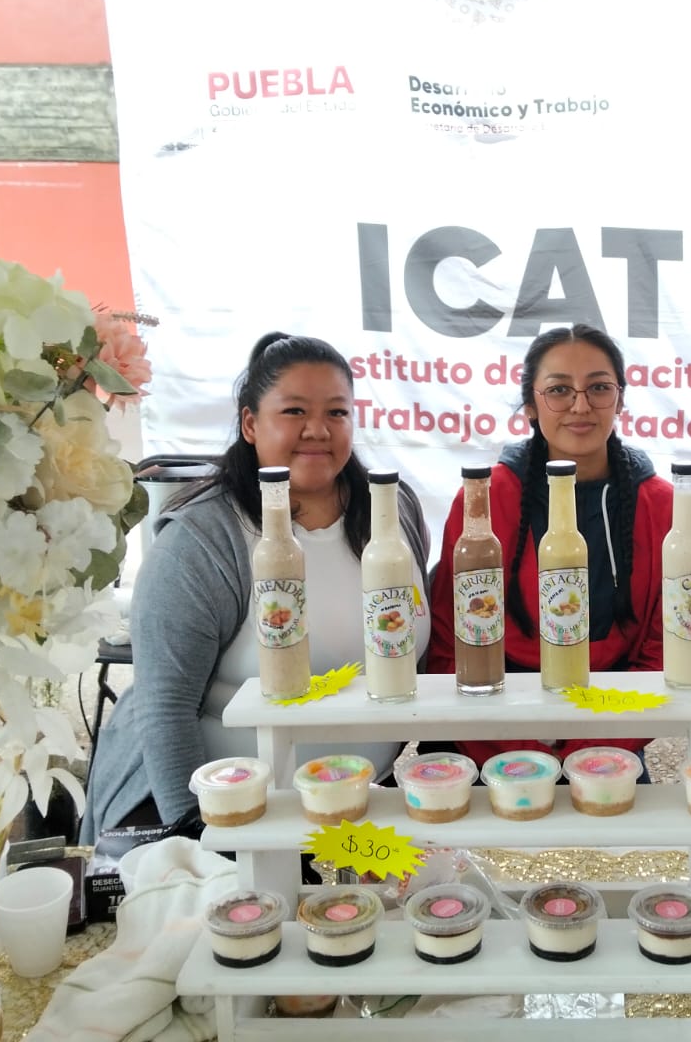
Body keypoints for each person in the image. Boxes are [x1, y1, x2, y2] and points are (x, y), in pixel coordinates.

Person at [81, 333, 431, 841]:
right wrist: (207, 843)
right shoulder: (203, 539)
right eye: (294, 411)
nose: (318, 429)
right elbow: (165, 710)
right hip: (229, 821)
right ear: (250, 424)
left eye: (337, 412)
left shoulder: (394, 511)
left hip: (354, 816)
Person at [425, 324, 671, 769]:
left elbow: (662, 649)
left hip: (610, 730)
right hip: (493, 730)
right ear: (530, 405)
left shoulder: (660, 504)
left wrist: (591, 748)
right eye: (559, 390)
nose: (581, 405)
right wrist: (513, 749)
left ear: (620, 400)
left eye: (599, 387)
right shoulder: (484, 499)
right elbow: (450, 644)